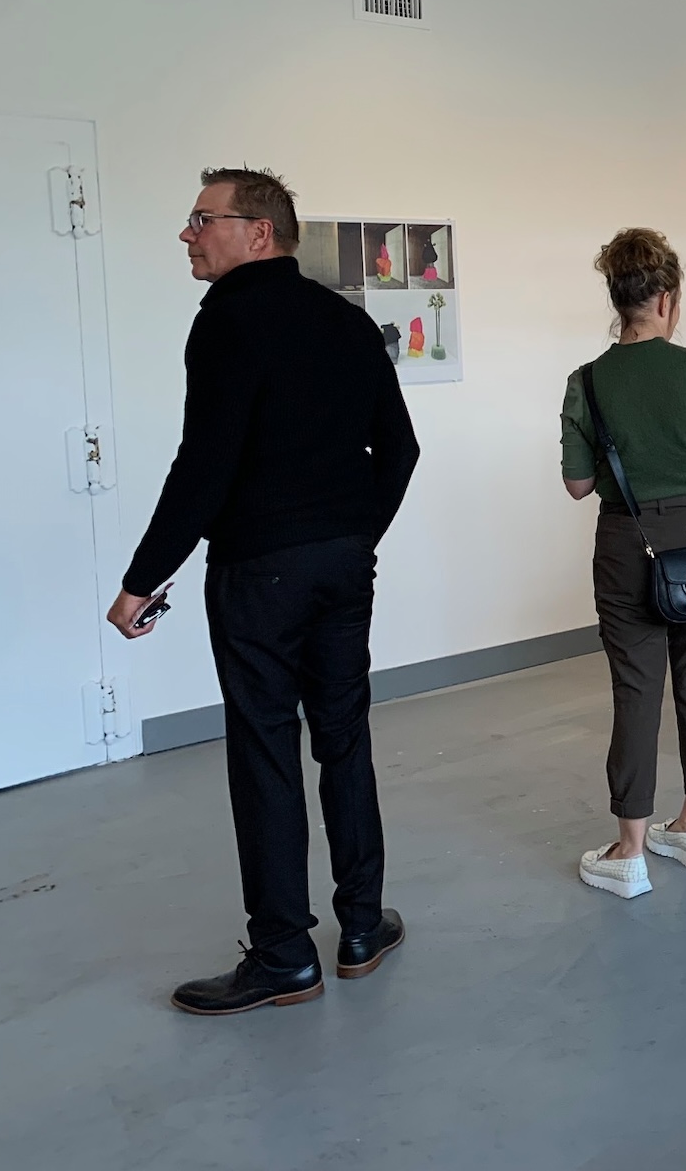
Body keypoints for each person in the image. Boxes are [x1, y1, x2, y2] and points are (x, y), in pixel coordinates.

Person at [107, 167, 419, 1015]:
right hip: (342, 570)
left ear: (259, 233)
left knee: (265, 751)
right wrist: (355, 536)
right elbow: (400, 452)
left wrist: (143, 579)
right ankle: (361, 927)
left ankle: (284, 954)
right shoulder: (348, 321)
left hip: (258, 574)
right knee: (345, 739)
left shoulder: (227, 321)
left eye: (203, 219)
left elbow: (203, 464)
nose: (187, 234)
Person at [561, 229, 686, 900]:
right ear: (668, 298)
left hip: (627, 545)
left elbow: (579, 486)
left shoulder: (586, 382)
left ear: (618, 299)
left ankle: (630, 851)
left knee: (635, 692)